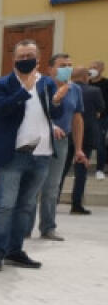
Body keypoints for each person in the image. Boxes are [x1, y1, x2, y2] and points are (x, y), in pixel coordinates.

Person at [0, 39, 63, 272]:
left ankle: (15, 252)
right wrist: (24, 90)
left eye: (30, 55)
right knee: (6, 205)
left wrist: (57, 101)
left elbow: (54, 112)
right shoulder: (2, 84)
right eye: (21, 56)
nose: (25, 59)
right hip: (14, 155)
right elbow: (0, 109)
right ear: (14, 59)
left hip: (42, 154)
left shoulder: (47, 83)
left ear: (38, 58)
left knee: (27, 206)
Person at [31, 53, 83, 242]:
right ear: (50, 69)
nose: (67, 69)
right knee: (32, 184)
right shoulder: (41, 85)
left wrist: (78, 148)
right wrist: (50, 126)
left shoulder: (75, 89)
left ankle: (48, 227)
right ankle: (24, 227)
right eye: (62, 65)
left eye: (70, 65)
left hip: (61, 143)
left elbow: (77, 119)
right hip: (37, 139)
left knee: (52, 186)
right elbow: (33, 112)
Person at [71, 66, 102, 215]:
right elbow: (101, 108)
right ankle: (76, 204)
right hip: (87, 134)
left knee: (61, 170)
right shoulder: (94, 91)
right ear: (85, 77)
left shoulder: (66, 89)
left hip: (68, 132)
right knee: (81, 171)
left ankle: (53, 200)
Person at [89, 60, 108, 179]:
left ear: (101, 69)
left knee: (100, 143)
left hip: (102, 118)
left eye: (95, 67)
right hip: (86, 118)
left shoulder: (106, 84)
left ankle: (100, 169)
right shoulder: (86, 82)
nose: (92, 69)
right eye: (90, 67)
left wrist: (101, 112)